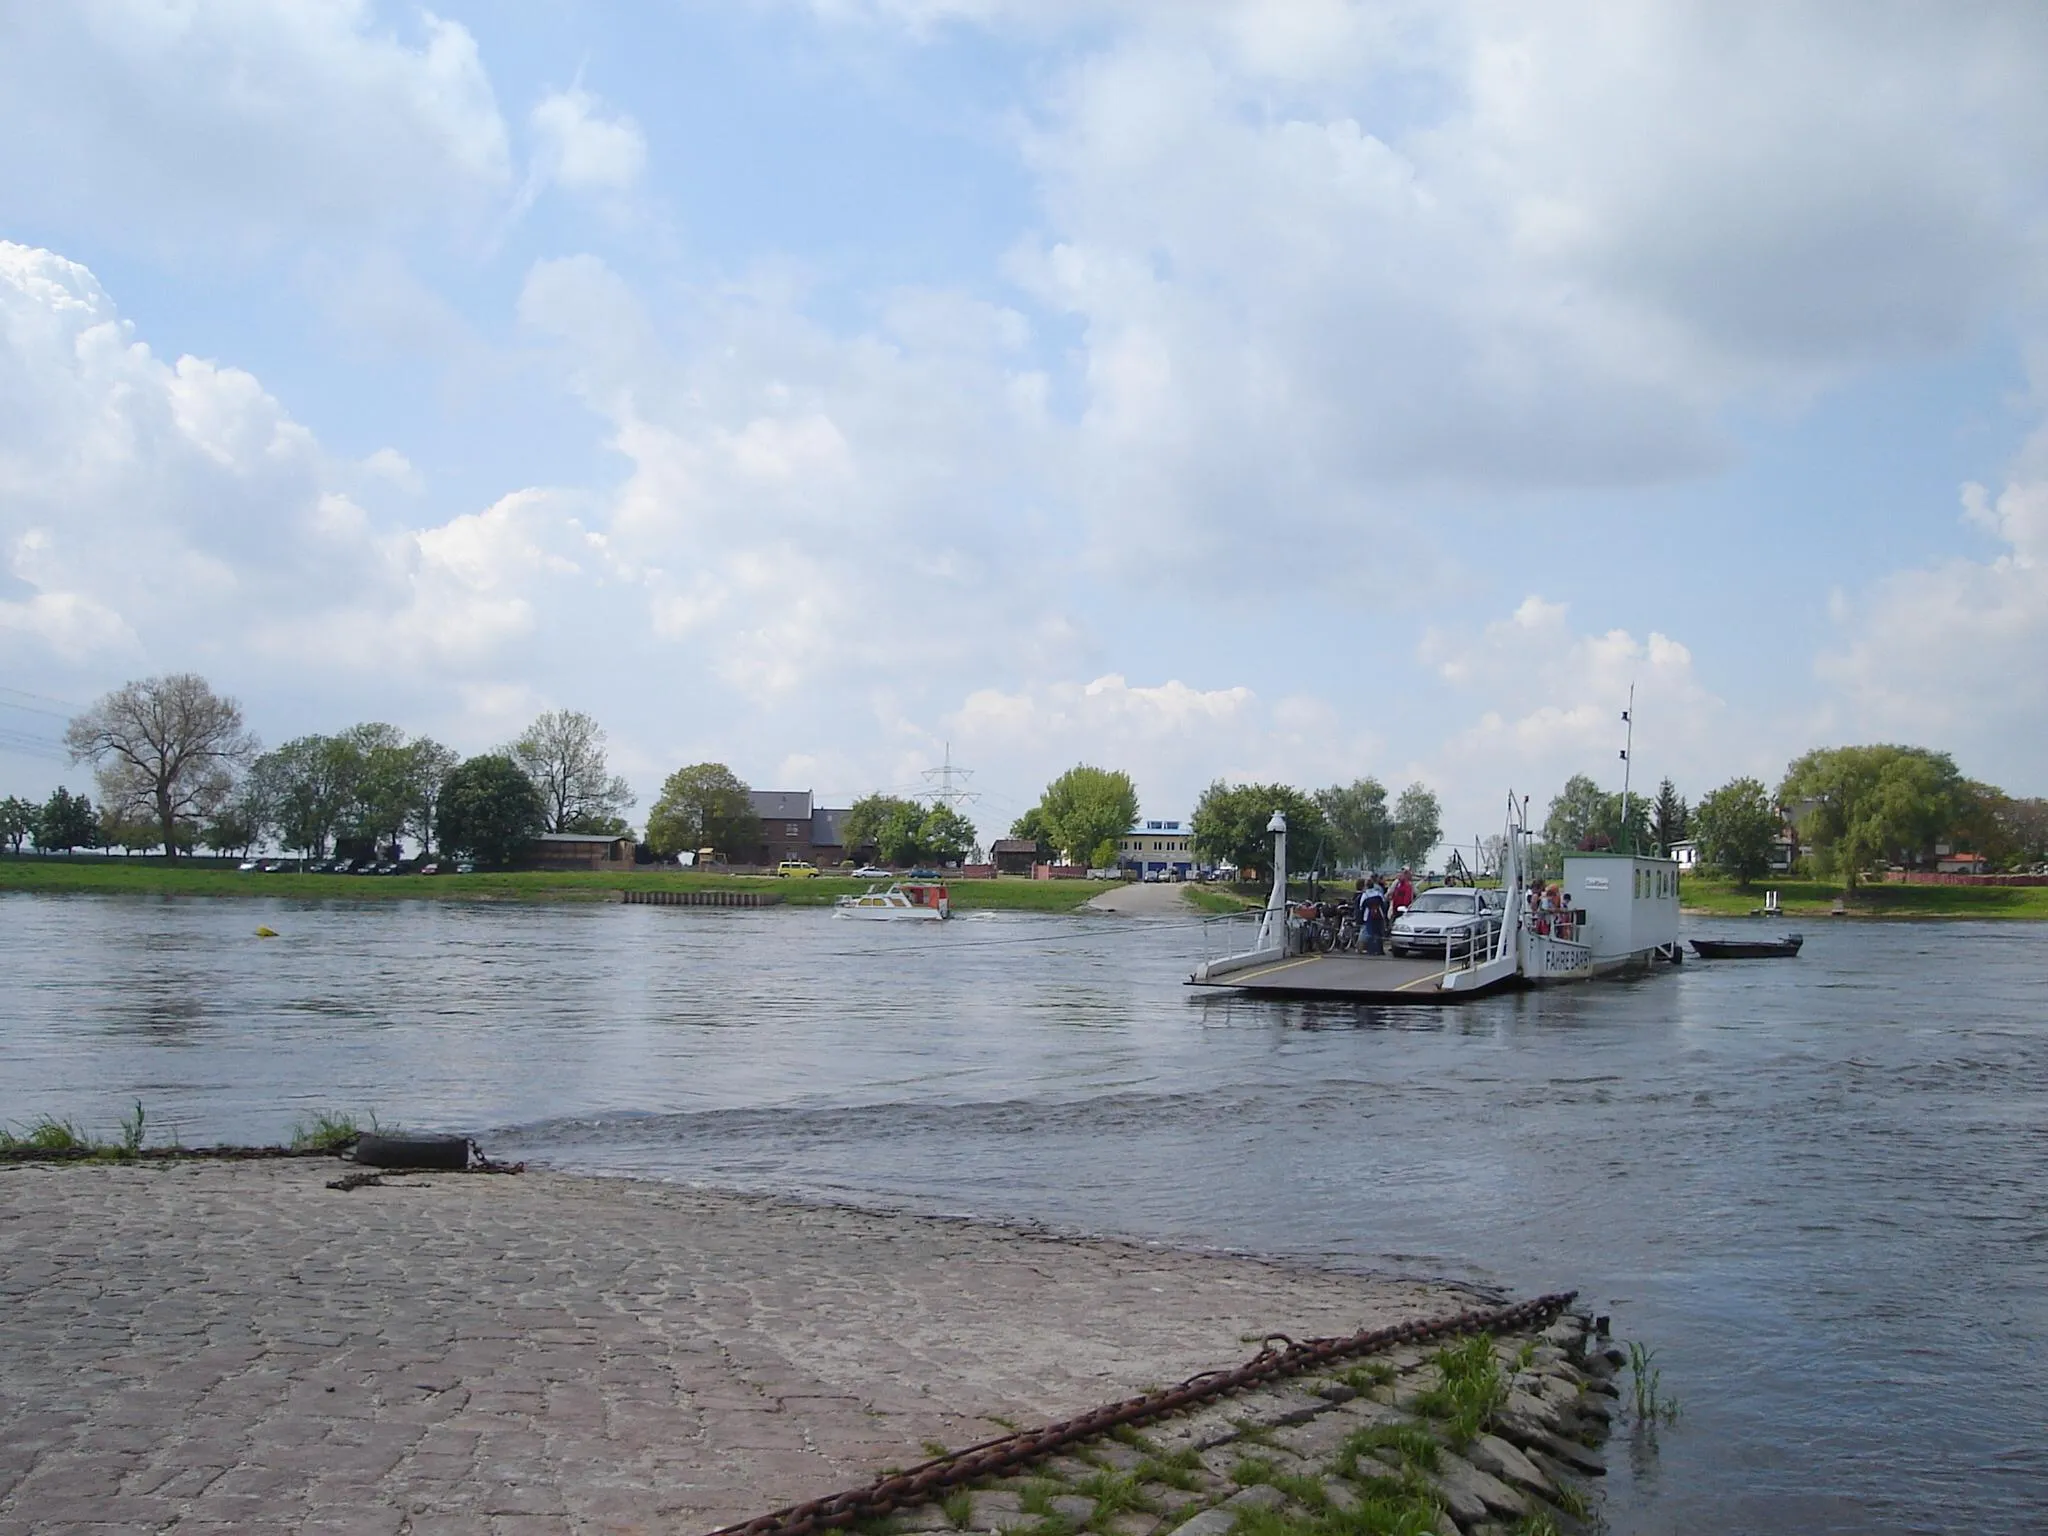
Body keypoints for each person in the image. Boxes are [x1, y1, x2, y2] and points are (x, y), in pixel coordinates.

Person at [1360, 876, 1388, 955]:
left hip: (1368, 915)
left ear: (1366, 886)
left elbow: (1361, 906)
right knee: (1379, 932)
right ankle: (1380, 950)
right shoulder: (1378, 893)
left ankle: (1371, 950)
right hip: (1379, 914)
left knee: (1370, 932)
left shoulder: (1365, 894)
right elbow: (1384, 904)